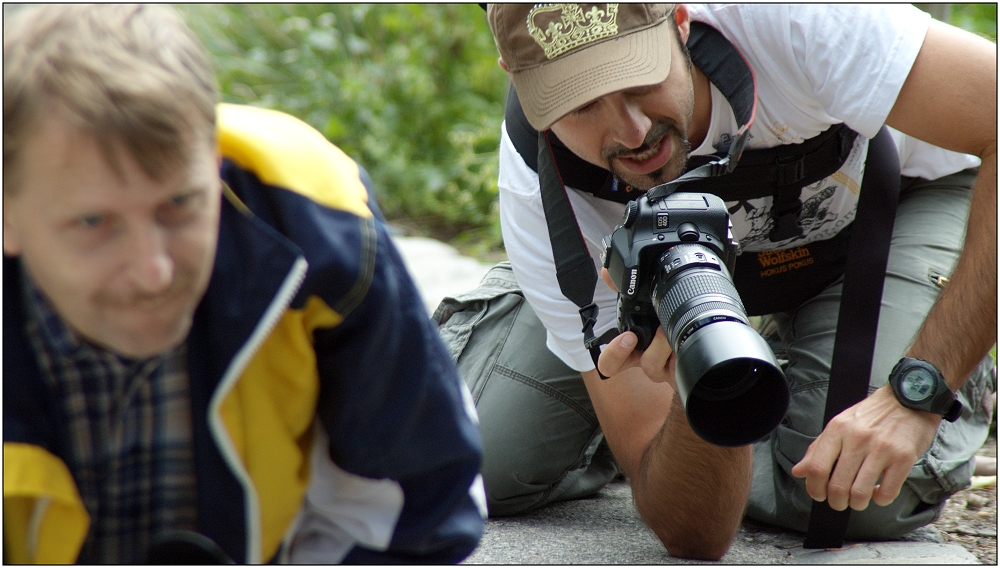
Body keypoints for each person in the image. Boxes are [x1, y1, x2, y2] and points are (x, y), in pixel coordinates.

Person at [434, 3, 996, 560]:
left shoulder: (794, 20)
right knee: (476, 460)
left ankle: (807, 378)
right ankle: (662, 378)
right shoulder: (542, 183)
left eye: (639, 80)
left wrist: (918, 391)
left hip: (887, 213)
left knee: (853, 491)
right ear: (521, 83)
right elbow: (694, 534)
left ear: (680, 22)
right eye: (581, 105)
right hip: (655, 274)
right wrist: (705, 385)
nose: (631, 133)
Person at [3, 4, 485, 564]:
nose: (153, 270)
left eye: (179, 204)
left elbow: (422, 510)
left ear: (214, 164)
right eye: (93, 223)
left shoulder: (320, 229)